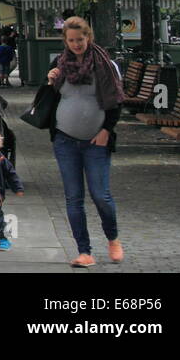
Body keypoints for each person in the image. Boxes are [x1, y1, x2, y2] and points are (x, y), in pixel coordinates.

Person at [47, 16, 125, 267]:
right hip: (65, 140)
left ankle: (112, 238)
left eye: (80, 40)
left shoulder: (105, 65)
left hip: (96, 140)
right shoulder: (59, 64)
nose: (76, 44)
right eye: (71, 40)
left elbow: (115, 102)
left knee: (100, 195)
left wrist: (106, 131)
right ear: (65, 41)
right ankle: (84, 251)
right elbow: (51, 99)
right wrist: (50, 79)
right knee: (73, 198)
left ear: (88, 37)